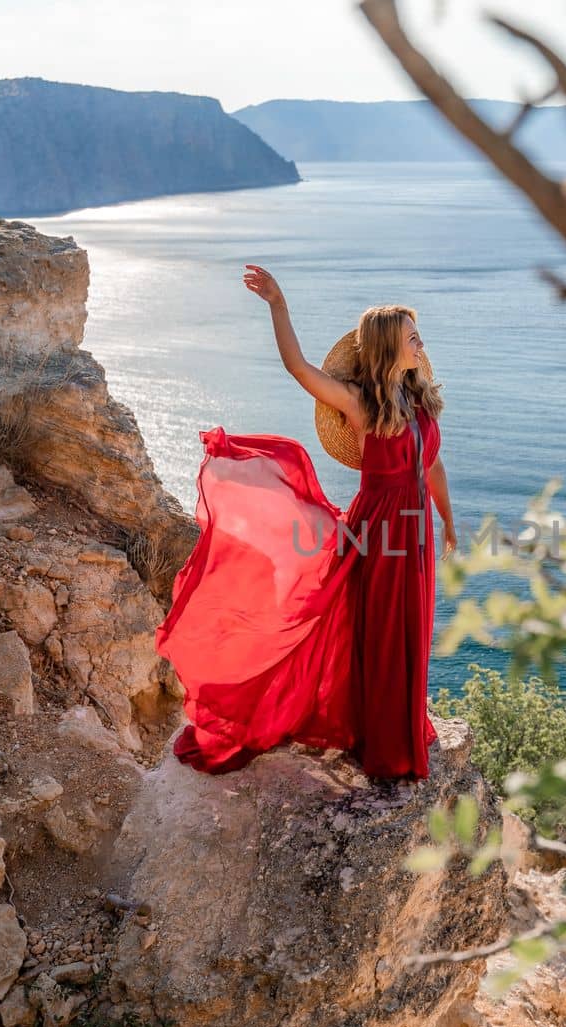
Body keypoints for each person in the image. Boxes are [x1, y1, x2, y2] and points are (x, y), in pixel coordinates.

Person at [153, 264, 457, 780]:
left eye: (418, 336)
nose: (421, 344)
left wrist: (447, 522)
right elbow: (298, 368)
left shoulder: (420, 399)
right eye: (412, 337)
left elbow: (431, 467)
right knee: (382, 635)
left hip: (414, 530)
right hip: (377, 533)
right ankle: (386, 745)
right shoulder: (360, 402)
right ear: (389, 346)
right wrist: (278, 304)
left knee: (411, 630)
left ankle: (404, 722)